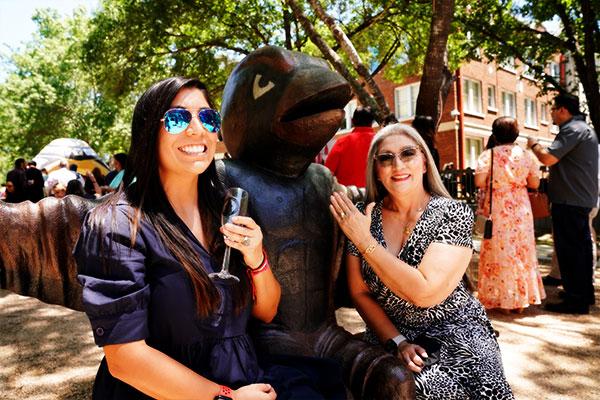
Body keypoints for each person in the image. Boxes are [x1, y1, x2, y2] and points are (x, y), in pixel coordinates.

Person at [74, 76, 341, 400]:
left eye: (207, 117)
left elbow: (266, 311)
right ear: (148, 132)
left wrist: (256, 257)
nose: (197, 129)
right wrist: (226, 396)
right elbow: (127, 360)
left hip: (246, 375)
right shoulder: (117, 225)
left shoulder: (224, 208)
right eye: (177, 118)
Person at [329, 123, 513, 399]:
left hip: (457, 328)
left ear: (424, 163)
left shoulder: (454, 213)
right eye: (386, 158)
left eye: (407, 154)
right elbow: (360, 292)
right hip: (391, 332)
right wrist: (398, 342)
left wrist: (364, 241)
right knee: (427, 388)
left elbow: (424, 292)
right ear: (377, 171)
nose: (397, 164)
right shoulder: (364, 215)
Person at [527, 93, 598, 314]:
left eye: (553, 110)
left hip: (570, 201)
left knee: (572, 251)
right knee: (581, 250)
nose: (552, 115)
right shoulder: (583, 129)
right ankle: (581, 293)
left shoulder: (572, 129)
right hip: (578, 199)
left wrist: (534, 145)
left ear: (563, 110)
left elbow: (548, 158)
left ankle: (576, 300)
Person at [475, 117, 546, 312]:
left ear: (495, 134)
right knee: (522, 252)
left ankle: (501, 299)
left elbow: (479, 182)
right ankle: (520, 300)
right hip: (521, 208)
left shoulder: (488, 155)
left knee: (499, 251)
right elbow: (535, 184)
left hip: (498, 207)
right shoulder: (527, 155)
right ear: (516, 134)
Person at [325, 106, 376, 187]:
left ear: (352, 121)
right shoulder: (381, 142)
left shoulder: (342, 142)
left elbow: (327, 173)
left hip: (348, 196)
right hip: (376, 195)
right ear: (373, 121)